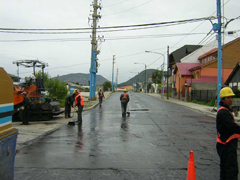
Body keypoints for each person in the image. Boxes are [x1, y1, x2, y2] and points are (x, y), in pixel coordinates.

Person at [216, 87, 240, 180]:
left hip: (224, 144)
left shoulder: (225, 111)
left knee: (225, 169)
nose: (231, 100)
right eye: (228, 98)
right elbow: (232, 126)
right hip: (227, 145)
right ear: (223, 99)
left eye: (231, 97)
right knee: (231, 170)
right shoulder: (223, 112)